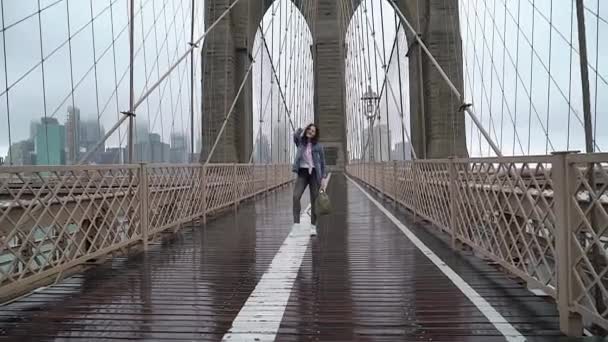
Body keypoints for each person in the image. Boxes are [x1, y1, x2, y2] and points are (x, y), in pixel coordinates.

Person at [292, 123, 327, 236]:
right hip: (302, 173)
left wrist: (323, 178)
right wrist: (305, 126)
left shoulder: (318, 147)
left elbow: (322, 163)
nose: (310, 132)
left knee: (314, 200)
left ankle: (313, 226)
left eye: (313, 131)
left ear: (315, 134)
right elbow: (296, 135)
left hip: (314, 174)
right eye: (309, 130)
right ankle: (296, 226)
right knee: (296, 196)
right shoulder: (300, 142)